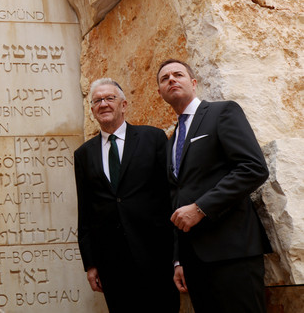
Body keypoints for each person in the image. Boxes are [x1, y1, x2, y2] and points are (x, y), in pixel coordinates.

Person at [156, 59, 272, 313]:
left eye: (178, 74)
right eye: (165, 79)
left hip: (233, 253)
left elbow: (253, 168)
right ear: (160, 93)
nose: (172, 80)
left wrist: (200, 208)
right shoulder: (172, 139)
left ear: (194, 83)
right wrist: (178, 260)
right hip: (194, 263)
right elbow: (177, 197)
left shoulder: (223, 112)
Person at [74, 78, 179, 312]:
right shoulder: (83, 154)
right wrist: (90, 264)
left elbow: (170, 195)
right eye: (97, 101)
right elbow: (86, 211)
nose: (103, 104)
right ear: (92, 110)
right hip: (112, 264)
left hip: (156, 256)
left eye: (109, 98)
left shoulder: (153, 138)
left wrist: (177, 254)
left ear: (123, 105)